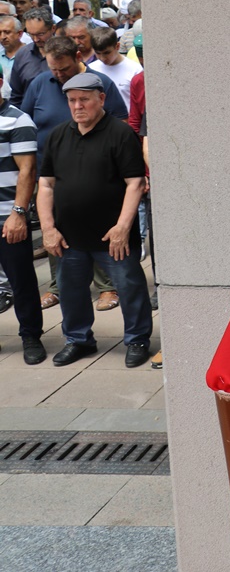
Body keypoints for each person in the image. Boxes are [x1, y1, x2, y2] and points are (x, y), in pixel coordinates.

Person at [39, 73, 150, 368]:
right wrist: (48, 228)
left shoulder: (120, 134)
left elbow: (135, 183)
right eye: (72, 100)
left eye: (84, 99)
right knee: (71, 290)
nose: (78, 106)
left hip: (113, 235)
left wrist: (123, 227)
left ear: (101, 99)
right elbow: (46, 184)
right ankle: (78, 340)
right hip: (69, 236)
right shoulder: (58, 135)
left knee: (129, 287)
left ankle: (137, 339)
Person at [0, 78, 42, 364]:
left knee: (21, 280)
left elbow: (27, 170)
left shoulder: (18, 120)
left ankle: (31, 336)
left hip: (8, 216)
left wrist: (18, 213)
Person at [88, 26, 143, 110]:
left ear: (117, 46)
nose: (102, 58)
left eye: (107, 53)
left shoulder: (135, 69)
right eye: (98, 53)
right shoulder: (91, 69)